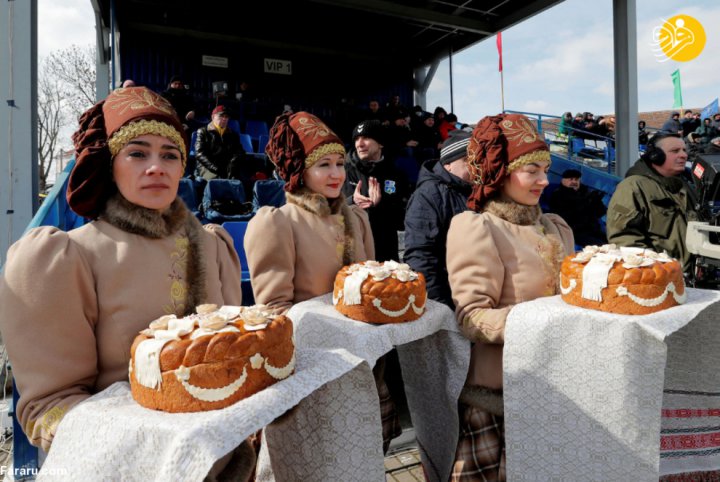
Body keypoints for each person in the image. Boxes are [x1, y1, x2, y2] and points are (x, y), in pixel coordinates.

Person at [0, 87, 252, 478]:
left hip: (224, 460)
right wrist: (147, 441)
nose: (157, 167)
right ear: (110, 165)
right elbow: (48, 408)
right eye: (137, 153)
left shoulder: (212, 244)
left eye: (170, 155)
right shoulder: (69, 257)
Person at [244, 111, 401, 453]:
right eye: (323, 165)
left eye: (339, 164)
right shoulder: (277, 223)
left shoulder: (358, 220)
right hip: (314, 370)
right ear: (300, 171)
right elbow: (275, 312)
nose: (335, 174)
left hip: (365, 364)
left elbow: (369, 290)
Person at [445, 113, 574, 480]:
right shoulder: (478, 228)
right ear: (501, 172)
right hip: (500, 396)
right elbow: (471, 317)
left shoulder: (554, 226)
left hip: (556, 386)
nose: (544, 180)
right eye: (531, 169)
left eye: (545, 169)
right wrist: (543, 320)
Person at [607, 132, 698, 273]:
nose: (683, 155)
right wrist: (655, 271)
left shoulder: (685, 185)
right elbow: (624, 238)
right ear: (655, 156)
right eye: (675, 151)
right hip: (661, 276)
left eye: (684, 150)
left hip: (692, 275)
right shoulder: (633, 186)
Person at [403, 129, 472, 309]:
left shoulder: (477, 191)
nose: (475, 166)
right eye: (467, 160)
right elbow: (420, 256)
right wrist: (443, 309)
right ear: (448, 164)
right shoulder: (428, 195)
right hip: (450, 301)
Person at [342, 119, 408, 262]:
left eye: (366, 138)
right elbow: (329, 211)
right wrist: (352, 201)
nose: (359, 144)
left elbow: (401, 220)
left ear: (381, 143)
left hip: (385, 254)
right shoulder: (343, 172)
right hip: (353, 255)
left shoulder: (395, 174)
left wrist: (381, 205)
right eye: (357, 139)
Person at [548, 168, 607, 247]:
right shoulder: (558, 195)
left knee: (612, 242)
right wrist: (585, 203)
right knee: (601, 246)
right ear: (563, 180)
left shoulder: (586, 192)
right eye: (571, 179)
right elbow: (565, 217)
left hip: (593, 229)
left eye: (576, 179)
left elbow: (600, 213)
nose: (574, 182)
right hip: (575, 231)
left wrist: (597, 202)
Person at [195, 105, 246, 182]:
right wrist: (215, 168)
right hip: (207, 167)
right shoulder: (203, 132)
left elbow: (240, 152)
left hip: (226, 167)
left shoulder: (233, 134)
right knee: (217, 180)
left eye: (226, 117)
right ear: (213, 117)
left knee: (239, 180)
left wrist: (233, 164)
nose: (224, 119)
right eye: (221, 116)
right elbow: (200, 154)